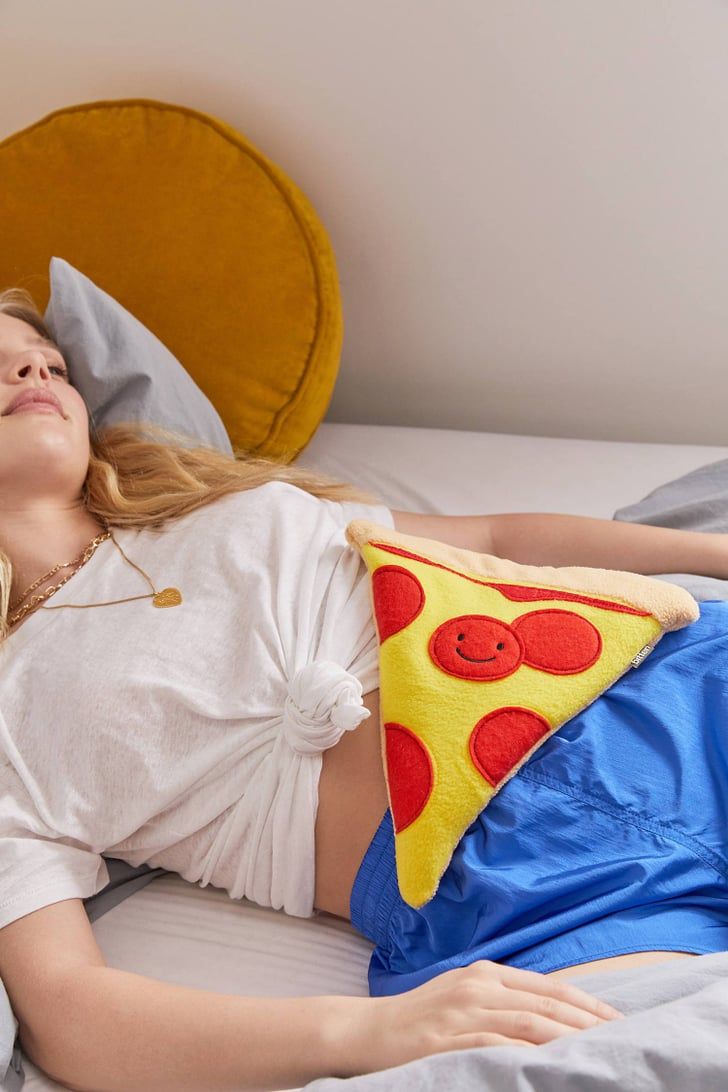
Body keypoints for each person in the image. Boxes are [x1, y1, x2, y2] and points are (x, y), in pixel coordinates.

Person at [0, 286, 726, 1091]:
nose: (34, 366)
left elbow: (491, 540)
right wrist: (365, 1032)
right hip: (522, 879)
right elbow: (71, 1015)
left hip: (654, 689)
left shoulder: (222, 503)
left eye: (51, 362)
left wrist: (715, 555)